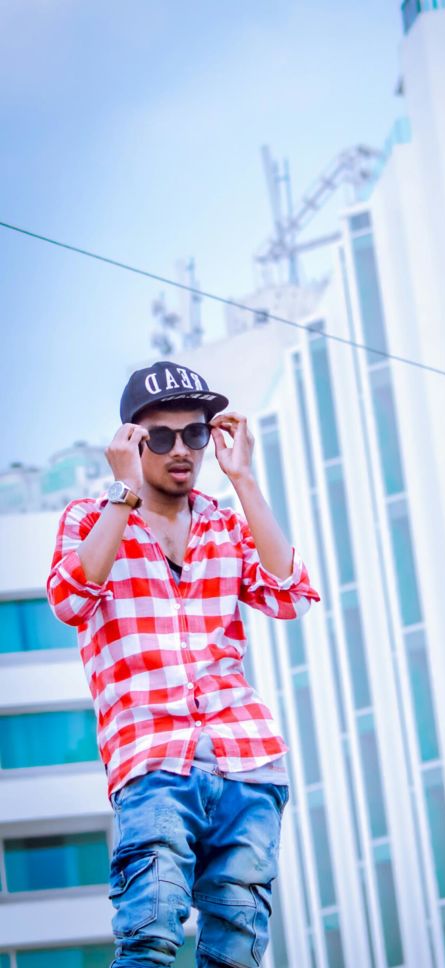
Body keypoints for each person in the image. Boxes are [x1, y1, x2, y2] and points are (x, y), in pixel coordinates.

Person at [47, 360, 321, 968]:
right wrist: (123, 493)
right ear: (131, 441)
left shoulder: (224, 524)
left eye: (194, 434)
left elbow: (290, 594)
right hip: (153, 759)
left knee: (235, 953)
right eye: (161, 436)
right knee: (148, 935)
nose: (181, 450)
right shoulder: (92, 519)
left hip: (248, 760)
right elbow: (69, 600)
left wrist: (243, 479)